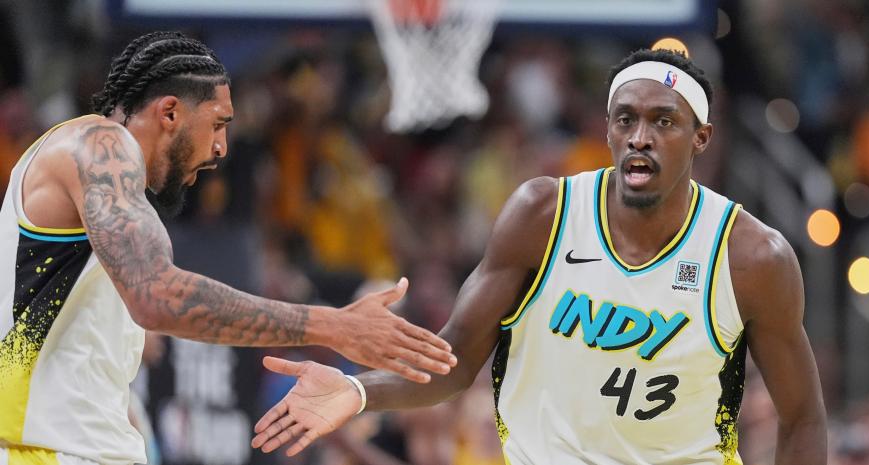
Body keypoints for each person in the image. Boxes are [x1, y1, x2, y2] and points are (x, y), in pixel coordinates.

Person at [252, 46, 828, 464]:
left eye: (664, 122)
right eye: (626, 119)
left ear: (701, 137)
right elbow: (455, 361)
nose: (641, 137)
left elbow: (802, 418)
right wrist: (357, 391)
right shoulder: (543, 215)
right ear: (608, 131)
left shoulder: (752, 257)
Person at [0, 31, 456, 465]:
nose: (221, 148)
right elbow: (158, 296)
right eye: (218, 124)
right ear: (170, 113)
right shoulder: (101, 146)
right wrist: (333, 325)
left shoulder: (104, 181)